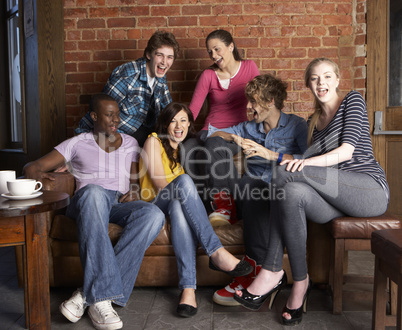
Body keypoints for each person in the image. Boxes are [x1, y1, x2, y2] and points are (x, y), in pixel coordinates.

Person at [233, 58, 390, 326]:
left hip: (367, 189)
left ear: (338, 80)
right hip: (334, 196)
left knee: (285, 172)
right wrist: (276, 155)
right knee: (291, 192)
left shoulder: (353, 100)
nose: (322, 83)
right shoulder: (313, 123)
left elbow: (346, 152)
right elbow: (304, 164)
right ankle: (300, 281)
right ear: (309, 84)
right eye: (315, 78)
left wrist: (301, 163)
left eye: (327, 77)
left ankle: (271, 270)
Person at [24, 94, 165, 330]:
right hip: (86, 201)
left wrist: (134, 191)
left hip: (117, 203)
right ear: (94, 116)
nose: (115, 119)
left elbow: (133, 180)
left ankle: (88, 295)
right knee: (94, 192)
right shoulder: (77, 143)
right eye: (109, 115)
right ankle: (102, 300)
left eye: (117, 114)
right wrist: (38, 174)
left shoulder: (130, 143)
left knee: (153, 215)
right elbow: (32, 166)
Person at [139, 102, 254, 318]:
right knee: (182, 183)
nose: (178, 125)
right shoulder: (153, 140)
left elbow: (209, 136)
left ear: (189, 124)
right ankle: (216, 251)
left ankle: (188, 291)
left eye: (183, 120)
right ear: (165, 124)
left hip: (172, 206)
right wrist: (184, 185)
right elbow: (159, 183)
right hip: (153, 206)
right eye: (173, 120)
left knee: (178, 205)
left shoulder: (183, 152)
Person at [204, 74, 308, 306]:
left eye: (253, 101)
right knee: (216, 147)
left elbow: (309, 160)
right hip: (247, 193)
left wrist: (271, 155)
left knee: (255, 187)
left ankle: (254, 270)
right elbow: (213, 134)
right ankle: (223, 206)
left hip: (278, 194)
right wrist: (234, 138)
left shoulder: (296, 126)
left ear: (271, 101)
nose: (248, 106)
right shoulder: (248, 127)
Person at [182, 29, 259, 189]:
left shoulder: (249, 67)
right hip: (209, 130)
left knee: (212, 147)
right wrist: (179, 128)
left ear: (231, 46)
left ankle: (226, 201)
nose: (214, 56)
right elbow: (193, 110)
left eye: (217, 49)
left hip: (237, 132)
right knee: (187, 148)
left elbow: (262, 99)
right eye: (210, 52)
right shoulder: (208, 75)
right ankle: (203, 203)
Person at [75, 31, 180, 147]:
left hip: (144, 131)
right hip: (118, 134)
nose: (164, 62)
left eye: (169, 57)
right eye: (160, 55)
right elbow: (100, 111)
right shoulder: (127, 76)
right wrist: (78, 145)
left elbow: (169, 111)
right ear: (149, 54)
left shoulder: (160, 76)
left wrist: (180, 128)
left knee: (171, 144)